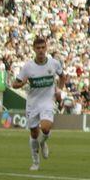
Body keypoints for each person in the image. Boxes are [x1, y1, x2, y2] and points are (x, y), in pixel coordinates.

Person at [11, 37, 65, 171]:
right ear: (34, 49)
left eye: (43, 48)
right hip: (32, 103)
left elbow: (62, 76)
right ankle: (35, 162)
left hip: (47, 101)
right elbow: (14, 83)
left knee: (46, 128)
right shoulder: (28, 67)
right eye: (38, 48)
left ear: (46, 48)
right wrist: (22, 83)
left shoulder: (54, 63)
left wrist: (59, 90)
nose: (41, 51)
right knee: (34, 133)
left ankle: (43, 142)